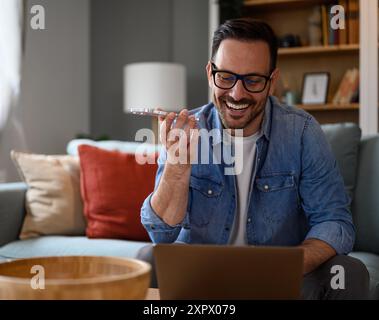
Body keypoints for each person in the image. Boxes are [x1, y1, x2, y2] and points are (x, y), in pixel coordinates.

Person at [139, 18, 369, 299]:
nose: (237, 94)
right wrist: (178, 166)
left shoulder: (302, 132)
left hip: (282, 278)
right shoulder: (188, 130)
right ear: (210, 73)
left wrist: (286, 266)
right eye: (226, 77)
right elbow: (160, 235)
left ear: (272, 82)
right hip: (204, 274)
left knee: (347, 272)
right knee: (145, 260)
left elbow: (335, 221)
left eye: (253, 80)